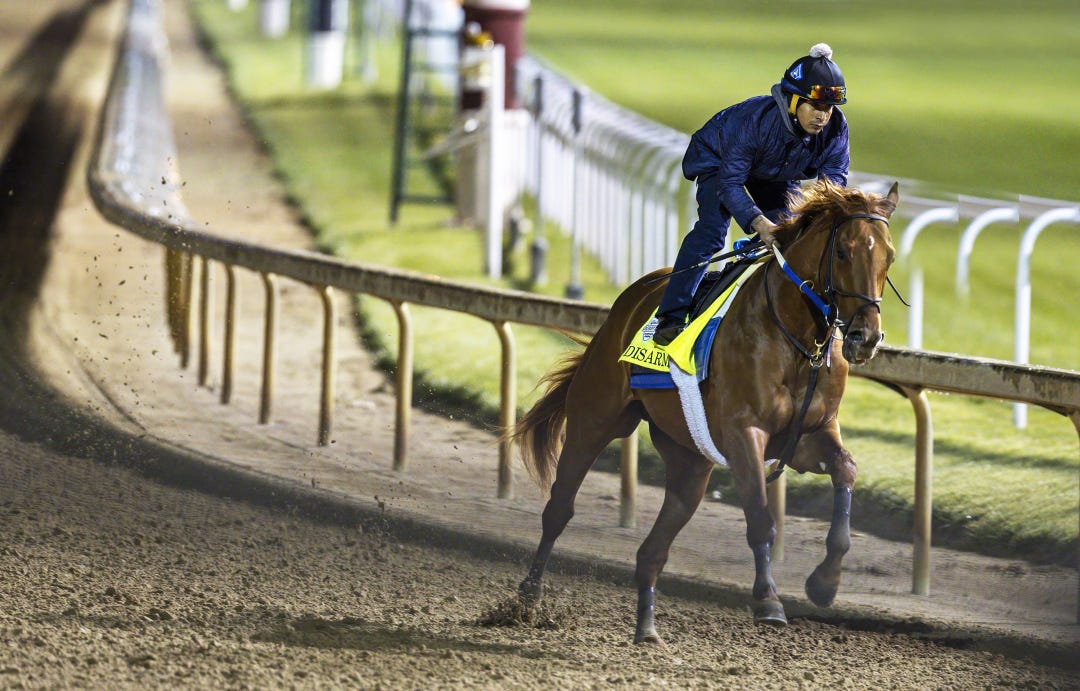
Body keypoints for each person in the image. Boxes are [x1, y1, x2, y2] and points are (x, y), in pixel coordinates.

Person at [651, 43, 850, 346]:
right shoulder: (755, 123)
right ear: (792, 101)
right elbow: (730, 184)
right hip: (719, 161)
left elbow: (831, 191)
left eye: (828, 108)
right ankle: (672, 314)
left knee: (790, 233)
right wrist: (759, 224)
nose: (823, 117)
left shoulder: (836, 129)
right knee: (712, 232)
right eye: (814, 106)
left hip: (772, 170)